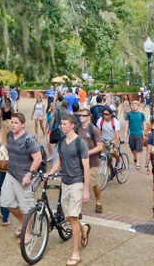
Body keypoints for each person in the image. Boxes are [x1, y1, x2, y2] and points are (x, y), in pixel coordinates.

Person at [46, 113, 92, 266]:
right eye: (61, 124)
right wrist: (49, 174)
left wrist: (86, 189)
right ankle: (83, 229)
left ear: (73, 125)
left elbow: (86, 168)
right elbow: (58, 161)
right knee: (70, 217)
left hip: (77, 183)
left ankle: (75, 253)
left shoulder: (80, 143)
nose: (61, 126)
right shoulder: (61, 141)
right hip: (65, 182)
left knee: (73, 216)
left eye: (65, 124)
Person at [2, 113, 42, 243]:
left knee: (26, 207)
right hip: (11, 174)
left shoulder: (29, 139)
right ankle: (23, 223)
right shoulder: (9, 135)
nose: (13, 125)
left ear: (22, 124)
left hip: (25, 177)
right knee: (7, 203)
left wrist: (29, 175)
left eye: (16, 123)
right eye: (12, 122)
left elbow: (38, 159)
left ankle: (27, 233)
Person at [75, 108, 105, 213]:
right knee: (79, 183)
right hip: (80, 161)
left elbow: (100, 146)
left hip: (93, 161)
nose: (81, 117)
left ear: (89, 117)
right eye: (80, 115)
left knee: (94, 182)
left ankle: (98, 202)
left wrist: (88, 152)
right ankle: (77, 207)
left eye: (83, 115)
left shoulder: (93, 129)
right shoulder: (77, 128)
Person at [96, 107, 123, 174]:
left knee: (113, 151)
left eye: (106, 114)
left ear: (111, 114)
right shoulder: (100, 121)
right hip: (104, 138)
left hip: (113, 138)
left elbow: (117, 135)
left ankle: (119, 161)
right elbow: (98, 133)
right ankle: (112, 172)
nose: (105, 115)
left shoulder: (115, 122)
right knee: (106, 157)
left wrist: (116, 147)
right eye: (103, 114)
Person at [123, 101, 147, 170]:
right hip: (132, 133)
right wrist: (125, 132)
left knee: (138, 149)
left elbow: (144, 124)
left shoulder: (141, 115)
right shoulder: (129, 114)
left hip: (139, 133)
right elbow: (127, 123)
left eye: (135, 105)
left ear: (138, 106)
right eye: (133, 105)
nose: (134, 107)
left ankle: (138, 163)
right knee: (132, 147)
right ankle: (135, 156)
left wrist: (145, 132)